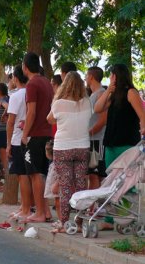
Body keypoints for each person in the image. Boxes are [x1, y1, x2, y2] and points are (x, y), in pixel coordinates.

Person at [47, 71, 91, 233]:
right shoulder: (86, 102)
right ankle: (79, 222)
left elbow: (50, 119)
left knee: (65, 186)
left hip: (63, 147)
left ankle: (64, 222)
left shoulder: (59, 103)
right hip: (83, 147)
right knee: (80, 185)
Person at [21, 52, 54, 223]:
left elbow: (31, 112)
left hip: (36, 134)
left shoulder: (32, 84)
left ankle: (40, 212)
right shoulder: (47, 83)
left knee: (35, 174)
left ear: (25, 67)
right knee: (43, 173)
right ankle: (46, 211)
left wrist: (25, 134)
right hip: (47, 132)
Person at [95, 63, 145, 169]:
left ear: (115, 76)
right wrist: (108, 90)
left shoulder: (131, 92)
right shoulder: (113, 94)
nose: (109, 78)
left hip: (127, 143)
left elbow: (142, 115)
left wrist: (143, 129)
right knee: (111, 178)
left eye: (111, 75)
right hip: (111, 143)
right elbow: (97, 108)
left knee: (127, 178)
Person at [6, 65, 32, 221]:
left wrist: (8, 144)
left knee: (22, 176)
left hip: (18, 138)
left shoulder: (16, 96)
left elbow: (11, 121)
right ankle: (24, 206)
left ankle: (26, 208)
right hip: (30, 137)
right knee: (29, 175)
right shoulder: (31, 92)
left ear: (15, 78)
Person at [85, 66, 107, 189]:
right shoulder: (94, 94)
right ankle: (94, 206)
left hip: (97, 140)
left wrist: (89, 133)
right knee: (92, 174)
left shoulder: (101, 94)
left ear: (91, 77)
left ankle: (94, 207)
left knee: (94, 174)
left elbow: (103, 120)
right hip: (92, 140)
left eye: (86, 75)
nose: (85, 78)